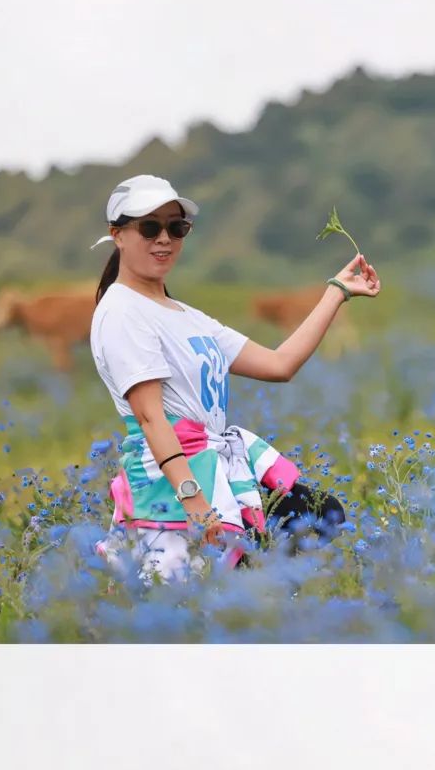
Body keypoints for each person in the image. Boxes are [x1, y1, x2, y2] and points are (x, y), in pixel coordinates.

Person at [89, 174, 381, 580]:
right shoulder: (122, 311)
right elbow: (151, 418)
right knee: (192, 598)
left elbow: (280, 365)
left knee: (319, 515)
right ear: (117, 234)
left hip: (217, 469)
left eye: (176, 228)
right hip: (174, 484)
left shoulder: (185, 316)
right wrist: (194, 501)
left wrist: (336, 291)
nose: (165, 239)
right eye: (150, 227)